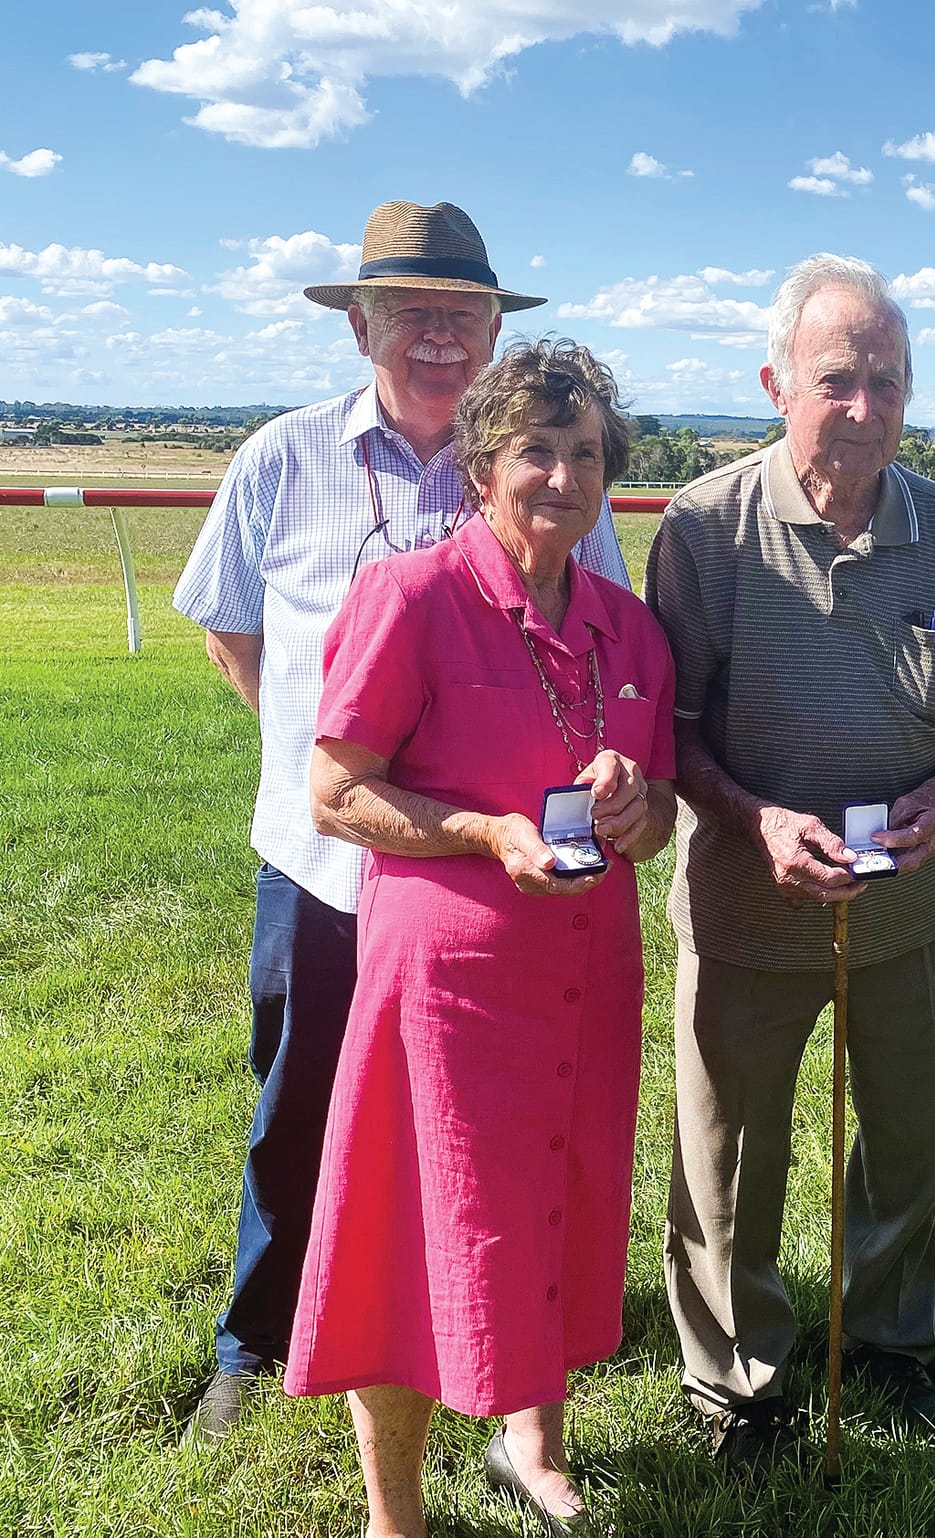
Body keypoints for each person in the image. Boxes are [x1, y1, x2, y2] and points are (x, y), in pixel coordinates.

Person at [172, 202, 628, 1443]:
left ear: (493, 328)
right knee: (301, 1099)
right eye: (412, 312)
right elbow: (230, 623)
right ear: (359, 323)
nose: (440, 335)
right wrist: (316, 753)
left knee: (483, 1115)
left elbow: (598, 641)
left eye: (463, 313)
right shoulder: (282, 455)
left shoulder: (548, 458)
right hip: (323, 856)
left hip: (500, 891)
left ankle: (485, 1327)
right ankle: (253, 1335)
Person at [283, 339, 676, 1537]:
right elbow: (335, 790)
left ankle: (533, 1441)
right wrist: (484, 829)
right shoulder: (411, 597)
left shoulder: (627, 628)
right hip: (448, 991)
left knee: (556, 1203)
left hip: (585, 977)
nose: (562, 477)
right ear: (479, 469)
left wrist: (632, 800)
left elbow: (656, 820)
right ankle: (393, 1512)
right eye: (536, 452)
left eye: (586, 455)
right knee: (412, 1231)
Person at [644, 253, 935, 1479]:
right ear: (775, 383)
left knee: (907, 1137)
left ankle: (891, 1346)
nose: (863, 407)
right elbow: (676, 731)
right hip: (749, 905)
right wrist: (754, 821)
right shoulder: (703, 528)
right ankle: (736, 1380)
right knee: (732, 1155)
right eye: (835, 379)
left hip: (910, 905)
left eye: (888, 382)